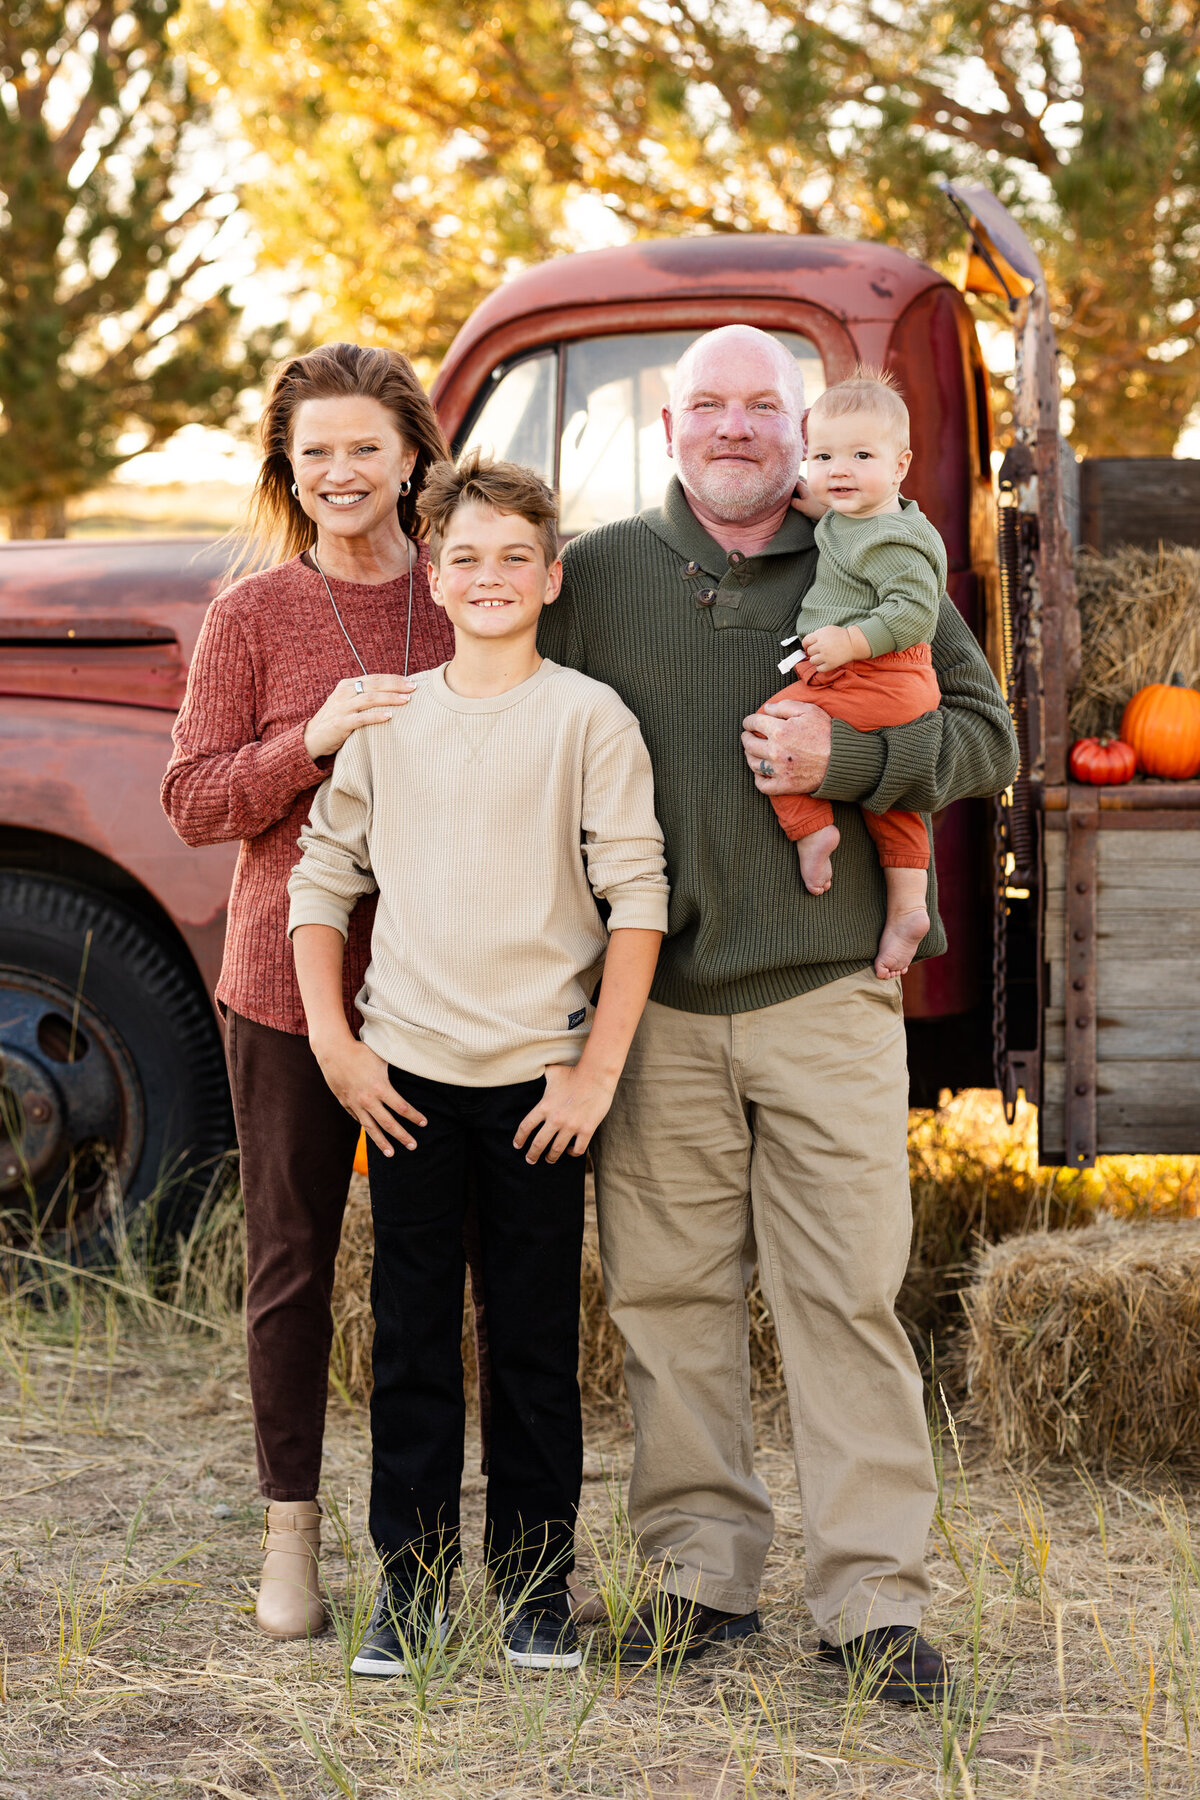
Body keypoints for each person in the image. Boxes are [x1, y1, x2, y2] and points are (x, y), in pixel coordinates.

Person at [537, 323, 1018, 1703]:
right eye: (712, 407)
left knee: (846, 1297)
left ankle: (872, 1602)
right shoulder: (605, 576)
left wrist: (851, 756)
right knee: (668, 1296)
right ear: (670, 426)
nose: (738, 429)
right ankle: (698, 1578)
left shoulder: (872, 547)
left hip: (826, 993)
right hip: (659, 1008)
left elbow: (986, 737)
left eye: (765, 406)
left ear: (804, 429)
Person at [286, 453, 668, 1676]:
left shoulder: (587, 718)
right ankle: (411, 1589)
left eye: (516, 557)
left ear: (552, 577)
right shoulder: (390, 718)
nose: (491, 576)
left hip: (539, 1089)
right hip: (402, 1081)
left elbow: (638, 898)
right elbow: (322, 882)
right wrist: (337, 1045)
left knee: (535, 1346)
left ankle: (535, 1588)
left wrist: (595, 1074)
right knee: (408, 1344)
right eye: (466, 558)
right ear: (433, 580)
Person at [162, 343, 452, 1640]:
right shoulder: (250, 616)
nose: (341, 471)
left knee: (440, 1271)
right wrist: (311, 740)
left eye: (365, 447)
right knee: (293, 1262)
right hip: (285, 989)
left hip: (448, 989)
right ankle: (291, 1540)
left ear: (410, 457)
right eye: (315, 450)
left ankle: (438, 1542)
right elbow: (193, 800)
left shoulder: (465, 593)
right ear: (287, 466)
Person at [762, 370, 944, 981]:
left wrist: (849, 640)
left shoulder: (897, 538)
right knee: (891, 805)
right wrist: (806, 498)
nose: (838, 469)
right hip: (874, 676)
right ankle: (909, 909)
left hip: (880, 672)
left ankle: (811, 831)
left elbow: (914, 613)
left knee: (773, 728)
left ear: (900, 465)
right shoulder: (853, 518)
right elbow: (834, 525)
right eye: (823, 455)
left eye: (860, 455)